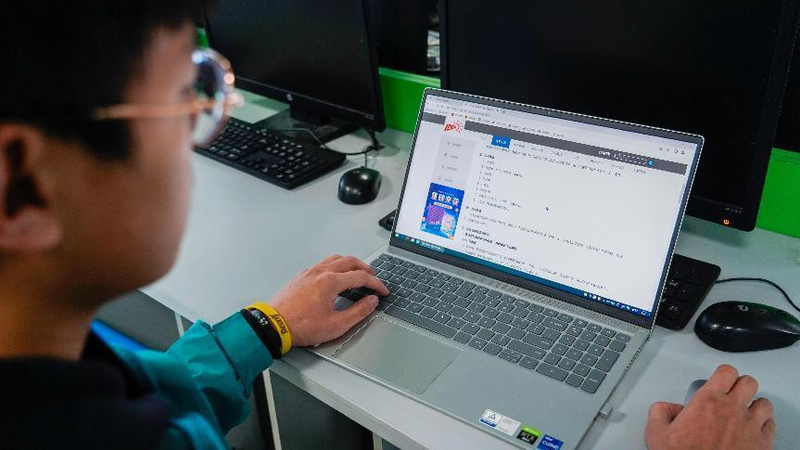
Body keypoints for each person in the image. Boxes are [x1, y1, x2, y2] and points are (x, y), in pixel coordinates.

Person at [0, 2, 775, 449]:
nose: (202, 136)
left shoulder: (65, 375)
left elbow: (160, 396)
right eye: (185, 99)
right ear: (23, 183)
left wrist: (267, 326)